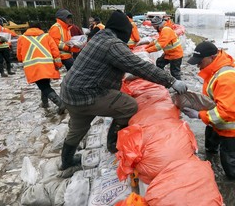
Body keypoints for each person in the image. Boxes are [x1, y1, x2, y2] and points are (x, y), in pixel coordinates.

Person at [59, 10, 188, 170]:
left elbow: (107, 65)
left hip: (70, 92)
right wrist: (171, 81)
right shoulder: (113, 44)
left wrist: (129, 72)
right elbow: (139, 65)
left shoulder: (99, 37)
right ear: (122, 32)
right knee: (129, 106)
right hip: (88, 94)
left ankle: (66, 162)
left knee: (78, 129)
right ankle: (113, 144)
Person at [182, 41, 235, 179]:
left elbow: (225, 112)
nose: (198, 65)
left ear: (212, 57)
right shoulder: (213, 70)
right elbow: (212, 97)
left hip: (230, 128)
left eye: (200, 61)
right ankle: (211, 157)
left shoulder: (226, 77)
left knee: (229, 164)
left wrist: (199, 115)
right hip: (215, 123)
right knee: (210, 147)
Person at [17, 22, 66, 114]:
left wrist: (22, 60)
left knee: (44, 86)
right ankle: (45, 102)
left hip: (33, 67)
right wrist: (58, 64)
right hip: (47, 65)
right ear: (40, 28)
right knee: (45, 85)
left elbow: (19, 55)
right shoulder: (46, 36)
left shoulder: (22, 38)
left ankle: (60, 104)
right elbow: (55, 51)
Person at [145, 16, 183, 80]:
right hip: (169, 54)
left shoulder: (166, 30)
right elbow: (158, 40)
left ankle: (179, 88)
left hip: (175, 55)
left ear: (157, 25)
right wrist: (147, 46)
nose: (153, 28)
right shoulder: (162, 30)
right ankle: (163, 78)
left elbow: (160, 45)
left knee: (175, 72)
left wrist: (147, 51)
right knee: (159, 62)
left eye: (153, 26)